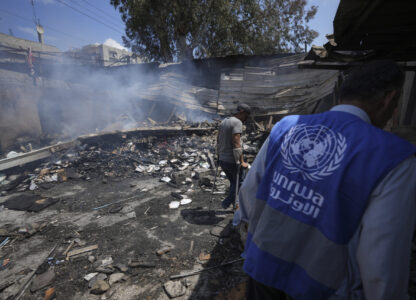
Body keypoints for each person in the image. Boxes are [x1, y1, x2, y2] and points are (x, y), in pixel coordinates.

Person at [237, 60, 416, 300]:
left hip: (262, 272)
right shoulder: (393, 158)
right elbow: (381, 264)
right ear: (389, 99)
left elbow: (249, 196)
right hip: (323, 290)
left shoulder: (286, 127)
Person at [217, 103, 251, 209]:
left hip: (222, 159)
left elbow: (218, 140)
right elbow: (236, 143)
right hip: (231, 160)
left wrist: (218, 155)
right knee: (240, 182)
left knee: (233, 182)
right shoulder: (237, 122)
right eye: (247, 114)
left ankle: (234, 204)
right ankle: (226, 203)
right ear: (241, 112)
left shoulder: (224, 121)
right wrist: (242, 162)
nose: (247, 118)